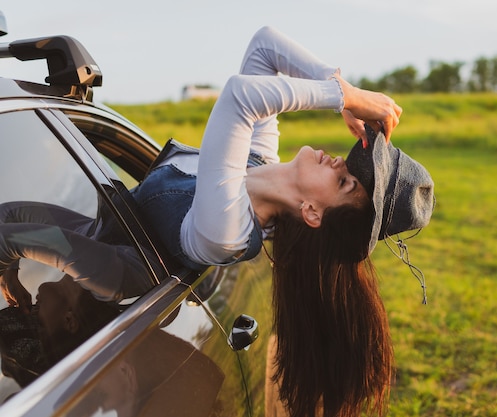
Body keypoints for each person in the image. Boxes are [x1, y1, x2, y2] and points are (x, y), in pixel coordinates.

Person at [129, 26, 435, 417]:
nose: (339, 161)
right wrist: (341, 89)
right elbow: (264, 46)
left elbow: (241, 96)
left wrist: (346, 95)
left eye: (342, 182)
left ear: (311, 212)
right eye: (349, 167)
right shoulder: (258, 160)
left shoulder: (227, 232)